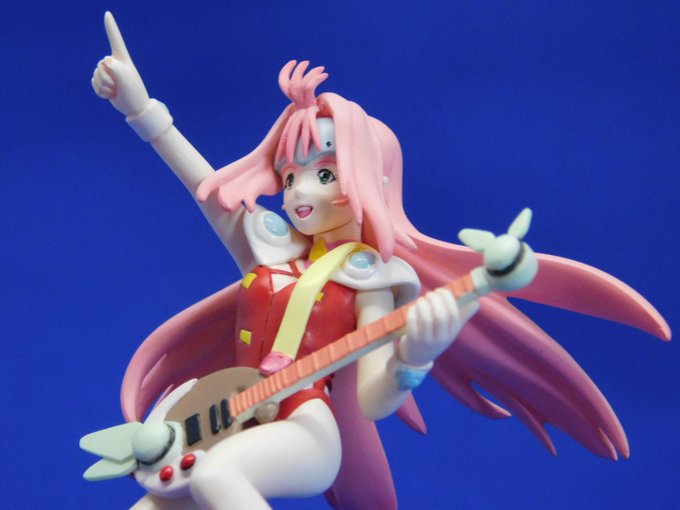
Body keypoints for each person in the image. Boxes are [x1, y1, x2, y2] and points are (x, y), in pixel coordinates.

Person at [89, 12, 670, 510]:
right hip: (231, 416)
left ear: (367, 178)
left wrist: (415, 354)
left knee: (219, 477)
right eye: (289, 176)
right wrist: (141, 111)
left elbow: (372, 398)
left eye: (323, 173)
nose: (299, 192)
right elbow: (207, 190)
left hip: (306, 430)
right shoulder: (270, 252)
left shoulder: (370, 280)